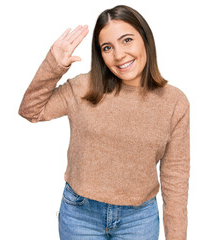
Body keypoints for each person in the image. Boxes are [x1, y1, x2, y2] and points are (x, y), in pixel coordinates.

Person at [18, 4, 190, 240]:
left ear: (145, 39)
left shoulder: (174, 102)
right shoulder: (82, 88)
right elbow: (31, 111)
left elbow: (175, 179)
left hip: (139, 220)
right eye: (107, 47)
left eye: (127, 40)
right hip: (80, 215)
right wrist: (53, 65)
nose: (119, 55)